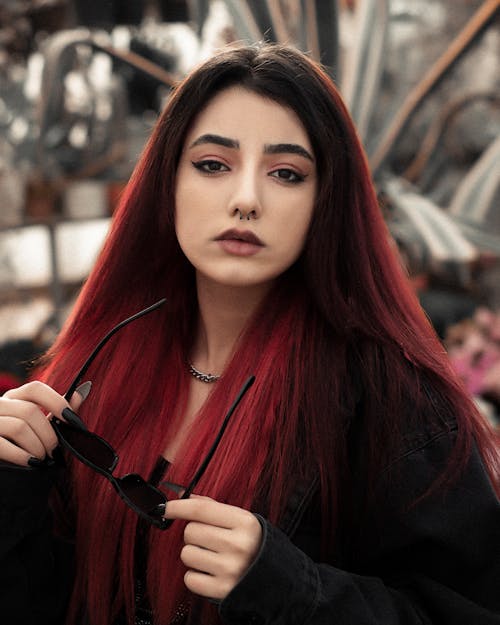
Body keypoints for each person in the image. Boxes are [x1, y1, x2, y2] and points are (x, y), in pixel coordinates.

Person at [0, 43, 498, 625]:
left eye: (286, 174)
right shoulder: (98, 367)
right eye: (213, 164)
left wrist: (291, 590)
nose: (246, 200)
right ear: (168, 183)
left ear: (324, 201)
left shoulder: (395, 399)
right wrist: (12, 492)